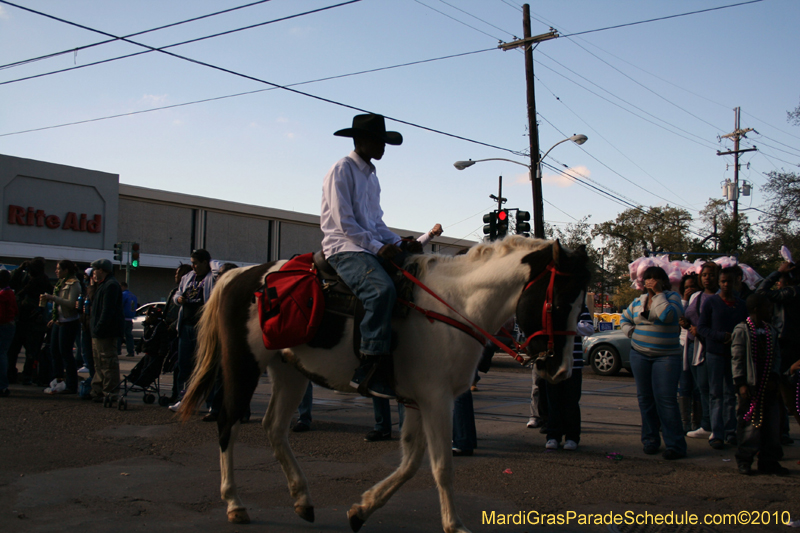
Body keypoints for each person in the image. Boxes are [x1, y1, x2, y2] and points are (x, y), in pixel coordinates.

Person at [321, 113, 428, 400]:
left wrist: (399, 242)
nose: (384, 148)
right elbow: (345, 223)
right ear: (362, 141)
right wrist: (378, 247)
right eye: (380, 142)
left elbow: (376, 222)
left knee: (417, 277)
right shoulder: (341, 169)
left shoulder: (371, 176)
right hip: (343, 248)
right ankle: (369, 366)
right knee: (380, 290)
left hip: (366, 245)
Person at [621, 266, 687, 460]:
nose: (652, 281)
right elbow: (624, 319)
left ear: (663, 281)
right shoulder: (637, 302)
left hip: (666, 356)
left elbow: (668, 316)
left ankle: (675, 444)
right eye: (648, 278)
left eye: (656, 278)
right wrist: (631, 333)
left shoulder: (672, 298)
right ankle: (650, 440)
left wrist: (658, 294)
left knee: (666, 400)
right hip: (639, 355)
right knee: (645, 400)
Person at [732, 293, 789, 476]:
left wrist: (774, 376)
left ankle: (769, 461)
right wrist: (740, 383)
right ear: (757, 309)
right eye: (767, 307)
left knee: (771, 424)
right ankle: (745, 459)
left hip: (768, 386)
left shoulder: (771, 331)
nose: (770, 310)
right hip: (751, 386)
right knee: (749, 425)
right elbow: (737, 358)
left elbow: (776, 356)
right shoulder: (742, 330)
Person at [697, 266, 748, 449]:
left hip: (734, 355)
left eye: (729, 281)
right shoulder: (711, 302)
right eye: (723, 281)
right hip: (715, 353)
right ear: (719, 283)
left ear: (736, 282)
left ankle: (730, 431)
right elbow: (702, 327)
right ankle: (716, 433)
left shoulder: (741, 305)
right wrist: (720, 336)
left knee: (730, 394)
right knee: (715, 394)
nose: (726, 285)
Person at [756, 260, 800, 444]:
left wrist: (776, 271)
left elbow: (760, 293)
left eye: (781, 279)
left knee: (785, 395)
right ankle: (782, 432)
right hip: (792, 346)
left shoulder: (792, 292)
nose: (778, 283)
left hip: (787, 347)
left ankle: (780, 433)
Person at [169, 249, 216, 411]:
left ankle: (211, 403)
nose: (193, 266)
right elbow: (177, 293)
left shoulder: (212, 277)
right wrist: (178, 299)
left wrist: (212, 266)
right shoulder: (188, 278)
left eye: (196, 263)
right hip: (186, 327)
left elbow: (218, 268)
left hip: (203, 328)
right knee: (184, 365)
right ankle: (184, 400)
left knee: (205, 365)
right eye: (192, 263)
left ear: (205, 263)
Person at [544, 303, 593, 451]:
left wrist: (568, 325)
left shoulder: (579, 306)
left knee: (571, 402)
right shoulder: (548, 306)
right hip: (552, 363)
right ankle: (553, 436)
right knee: (553, 402)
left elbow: (589, 328)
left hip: (573, 364)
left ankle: (572, 437)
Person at [683, 262, 719, 439]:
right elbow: (688, 315)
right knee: (701, 387)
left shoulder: (721, 296)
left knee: (713, 388)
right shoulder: (696, 296)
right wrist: (686, 324)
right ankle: (706, 424)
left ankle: (716, 426)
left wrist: (701, 330)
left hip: (711, 346)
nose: (707, 278)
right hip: (693, 346)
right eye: (704, 275)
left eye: (711, 275)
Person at [7, 257, 52, 386]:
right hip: (32, 322)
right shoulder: (41, 279)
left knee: (16, 351)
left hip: (25, 320)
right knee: (30, 353)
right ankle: (27, 376)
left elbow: (12, 283)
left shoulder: (33, 281)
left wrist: (20, 269)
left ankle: (15, 375)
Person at [41, 260, 82, 394]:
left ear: (66, 270)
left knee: (66, 353)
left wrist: (52, 298)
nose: (56, 271)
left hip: (69, 322)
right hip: (59, 321)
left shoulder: (74, 284)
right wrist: (54, 318)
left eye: (59, 269)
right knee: (54, 351)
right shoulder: (60, 283)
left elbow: (71, 303)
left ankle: (71, 384)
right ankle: (58, 380)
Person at [88, 258, 124, 402]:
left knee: (108, 363)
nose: (93, 273)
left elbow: (107, 311)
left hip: (106, 331)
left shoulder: (111, 286)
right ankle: (98, 389)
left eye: (95, 270)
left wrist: (99, 327)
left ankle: (110, 391)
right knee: (99, 362)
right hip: (99, 331)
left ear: (101, 270)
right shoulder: (103, 285)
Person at [676, 273, 702, 433]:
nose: (690, 289)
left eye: (692, 286)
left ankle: (697, 422)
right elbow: (680, 317)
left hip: (697, 345)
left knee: (698, 387)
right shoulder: (681, 302)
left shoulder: (701, 300)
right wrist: (684, 299)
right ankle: (684, 422)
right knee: (684, 386)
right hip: (682, 344)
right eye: (686, 287)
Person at [0, 269, 18, 397]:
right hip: (10, 325)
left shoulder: (2, 295)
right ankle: (3, 385)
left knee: (1, 355)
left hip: (2, 326)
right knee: (3, 354)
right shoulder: (10, 292)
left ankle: (2, 384)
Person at [118, 282, 138, 357]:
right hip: (130, 318)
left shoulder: (123, 295)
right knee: (129, 335)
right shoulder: (133, 295)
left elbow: (119, 305)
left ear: (123, 286)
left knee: (119, 335)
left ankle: (118, 351)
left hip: (123, 318)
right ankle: (131, 351)